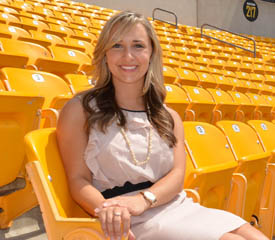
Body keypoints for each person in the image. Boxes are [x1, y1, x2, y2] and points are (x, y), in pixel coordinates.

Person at [56, 10, 268, 240]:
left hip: (172, 205)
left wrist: (144, 199)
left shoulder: (168, 116)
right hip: (125, 217)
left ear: (151, 54)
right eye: (117, 45)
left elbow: (177, 175)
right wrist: (110, 210)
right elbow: (78, 180)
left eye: (138, 46)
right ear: (105, 54)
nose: (128, 56)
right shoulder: (80, 109)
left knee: (256, 237)